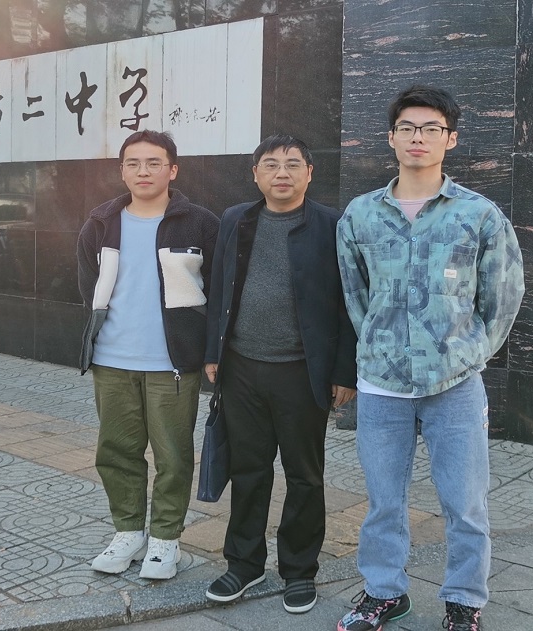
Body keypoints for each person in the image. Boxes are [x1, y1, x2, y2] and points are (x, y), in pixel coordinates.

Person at [335, 85, 525, 631]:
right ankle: (384, 593)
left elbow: (503, 295)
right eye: (408, 128)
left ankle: (464, 601)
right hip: (382, 385)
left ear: (450, 139)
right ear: (391, 137)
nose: (418, 137)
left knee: (465, 503)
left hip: (455, 384)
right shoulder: (361, 215)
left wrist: (471, 353)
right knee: (383, 501)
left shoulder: (478, 214)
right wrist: (380, 345)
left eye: (431, 129)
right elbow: (354, 294)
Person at [204, 134, 357, 614]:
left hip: (302, 372)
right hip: (242, 368)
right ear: (256, 174)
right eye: (270, 164)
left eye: (293, 164)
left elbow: (349, 302)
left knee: (304, 475)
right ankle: (244, 563)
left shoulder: (332, 224)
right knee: (248, 469)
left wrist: (344, 371)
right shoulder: (236, 219)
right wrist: (213, 352)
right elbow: (218, 285)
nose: (282, 173)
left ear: (310, 172)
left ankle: (299, 570)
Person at [77, 130, 219, 580]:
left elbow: (218, 290)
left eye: (154, 162)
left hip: (172, 364)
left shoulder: (199, 223)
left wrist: (209, 351)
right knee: (116, 451)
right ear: (122, 170)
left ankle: (164, 539)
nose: (144, 171)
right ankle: (128, 532)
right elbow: (88, 287)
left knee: (173, 456)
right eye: (133, 163)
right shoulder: (101, 223)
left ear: (172, 170)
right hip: (112, 361)